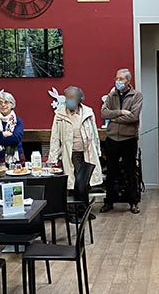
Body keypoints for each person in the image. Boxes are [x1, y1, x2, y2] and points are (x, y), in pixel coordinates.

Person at [100, 68, 143, 214]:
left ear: (128, 81)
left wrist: (114, 118)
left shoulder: (136, 96)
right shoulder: (111, 95)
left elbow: (133, 117)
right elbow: (103, 113)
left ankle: (133, 202)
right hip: (112, 138)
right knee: (111, 172)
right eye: (117, 78)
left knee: (131, 171)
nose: (118, 81)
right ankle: (109, 202)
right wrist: (120, 112)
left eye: (121, 79)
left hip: (128, 139)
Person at [48, 86, 103, 190]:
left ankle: (83, 199)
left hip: (87, 151)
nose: (69, 100)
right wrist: (53, 158)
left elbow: (94, 133)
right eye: (67, 98)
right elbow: (55, 137)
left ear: (79, 99)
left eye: (72, 97)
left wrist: (97, 150)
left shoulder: (88, 112)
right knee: (78, 180)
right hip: (72, 153)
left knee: (87, 180)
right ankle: (79, 199)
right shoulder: (60, 114)